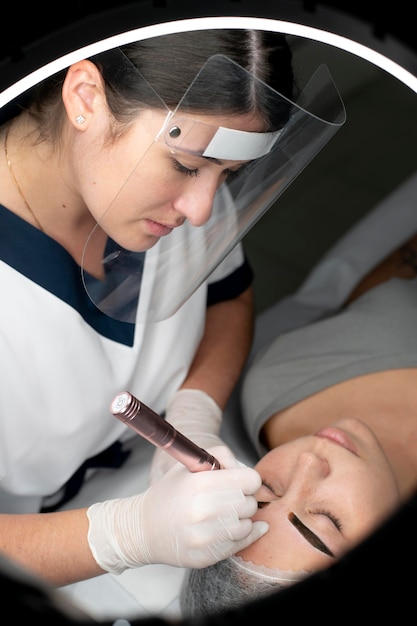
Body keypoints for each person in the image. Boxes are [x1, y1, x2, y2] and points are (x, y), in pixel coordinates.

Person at [0, 28, 345, 587]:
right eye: (186, 165)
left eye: (226, 176)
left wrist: (194, 410)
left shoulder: (167, 203)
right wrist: (124, 535)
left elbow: (228, 298)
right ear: (85, 96)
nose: (203, 209)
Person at [179, 188, 417, 616]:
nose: (308, 461)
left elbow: (402, 272)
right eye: (326, 519)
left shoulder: (286, 381)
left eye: (265, 488)